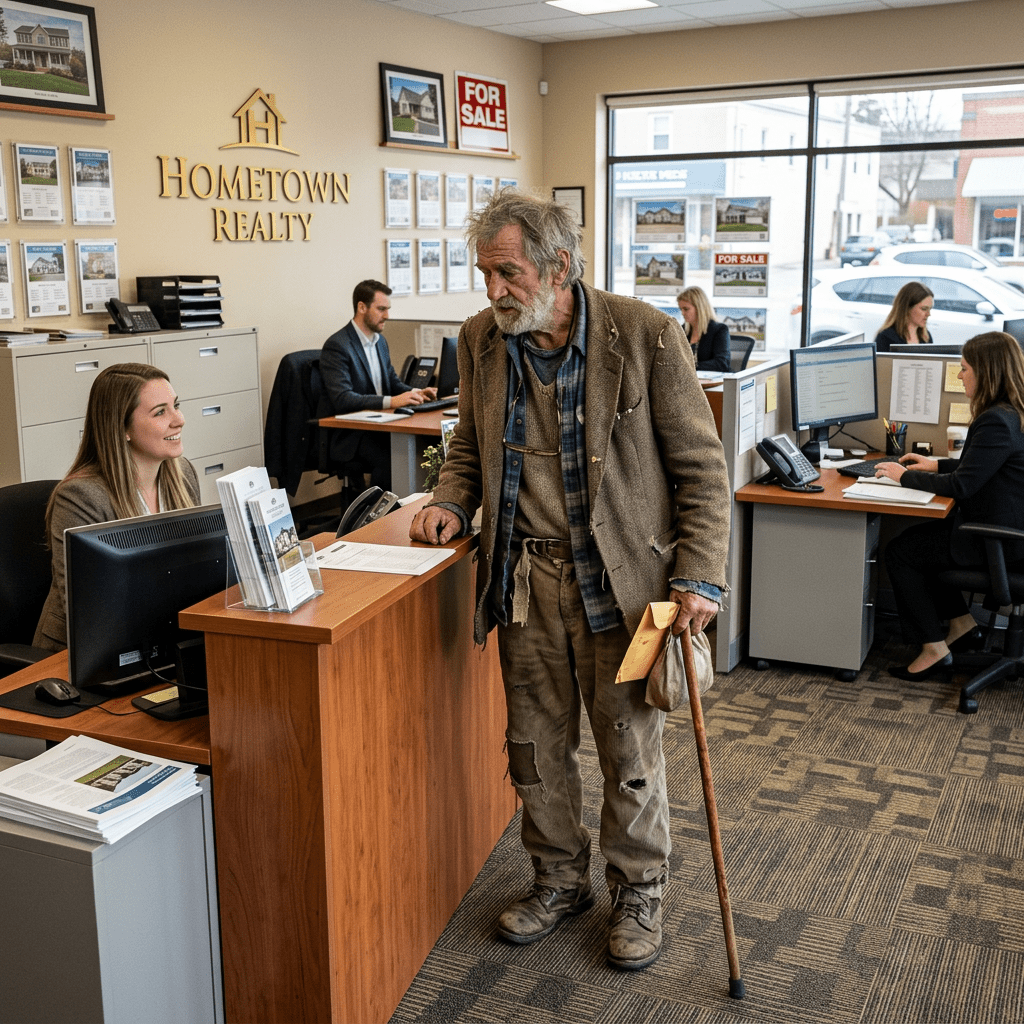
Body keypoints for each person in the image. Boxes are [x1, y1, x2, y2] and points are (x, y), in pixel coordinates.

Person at [408, 189, 730, 971]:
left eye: (508, 273)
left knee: (628, 748)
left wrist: (699, 579)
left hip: (625, 587)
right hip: (523, 582)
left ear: (558, 267)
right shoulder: (483, 339)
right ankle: (559, 880)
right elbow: (467, 449)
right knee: (534, 747)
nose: (493, 290)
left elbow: (701, 469)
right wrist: (451, 502)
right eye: (486, 273)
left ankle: (639, 888)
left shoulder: (644, 334)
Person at [875, 331, 1024, 680]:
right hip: (1009, 532)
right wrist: (936, 465)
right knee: (926, 541)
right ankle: (961, 625)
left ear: (986, 373)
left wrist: (902, 476)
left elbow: (963, 485)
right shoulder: (1012, 412)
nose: (959, 376)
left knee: (902, 551)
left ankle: (934, 647)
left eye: (965, 368)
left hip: (1001, 542)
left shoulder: (995, 421)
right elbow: (984, 465)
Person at [33, 363, 199, 652]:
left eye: (176, 406)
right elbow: (87, 608)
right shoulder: (81, 497)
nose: (179, 420)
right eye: (160, 412)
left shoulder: (182, 474)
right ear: (122, 429)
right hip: (84, 655)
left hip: (164, 637)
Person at [319, 279, 436, 491]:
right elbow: (343, 399)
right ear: (361, 307)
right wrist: (392, 401)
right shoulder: (338, 346)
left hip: (381, 426)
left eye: (388, 309)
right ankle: (381, 515)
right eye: (381, 309)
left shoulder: (379, 341)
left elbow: (391, 382)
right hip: (352, 436)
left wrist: (414, 392)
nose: (387, 316)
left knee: (425, 447)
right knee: (394, 456)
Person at [676, 285, 731, 372]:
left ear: (699, 308)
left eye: (686, 309)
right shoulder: (681, 331)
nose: (682, 313)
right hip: (686, 382)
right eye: (681, 309)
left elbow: (722, 363)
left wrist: (689, 366)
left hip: (711, 382)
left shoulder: (719, 330)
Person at [874, 281, 934, 352]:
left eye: (930, 309)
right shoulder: (885, 337)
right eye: (924, 309)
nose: (928, 314)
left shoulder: (926, 337)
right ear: (907, 308)